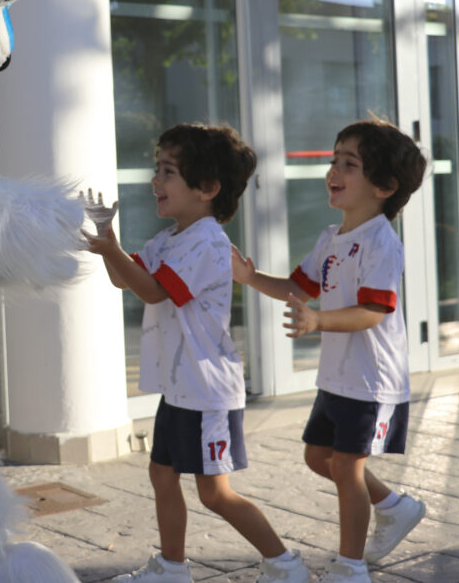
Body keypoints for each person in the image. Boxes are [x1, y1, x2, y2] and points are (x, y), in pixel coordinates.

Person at [85, 123, 309, 583]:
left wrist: (110, 248)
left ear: (207, 188)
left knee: (215, 494)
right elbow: (124, 279)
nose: (155, 181)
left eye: (167, 172)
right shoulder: (171, 238)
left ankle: (286, 564)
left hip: (207, 392)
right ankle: (172, 568)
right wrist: (108, 242)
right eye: (157, 169)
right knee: (162, 475)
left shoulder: (206, 242)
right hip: (181, 388)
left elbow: (152, 291)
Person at [233, 119, 428, 583]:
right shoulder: (331, 238)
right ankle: (394, 506)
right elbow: (297, 287)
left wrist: (318, 320)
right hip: (338, 377)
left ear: (384, 187)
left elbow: (373, 311)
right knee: (318, 457)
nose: (333, 171)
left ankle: (351, 567)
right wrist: (250, 277)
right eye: (333, 160)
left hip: (372, 380)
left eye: (349, 164)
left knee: (346, 467)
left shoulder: (381, 243)